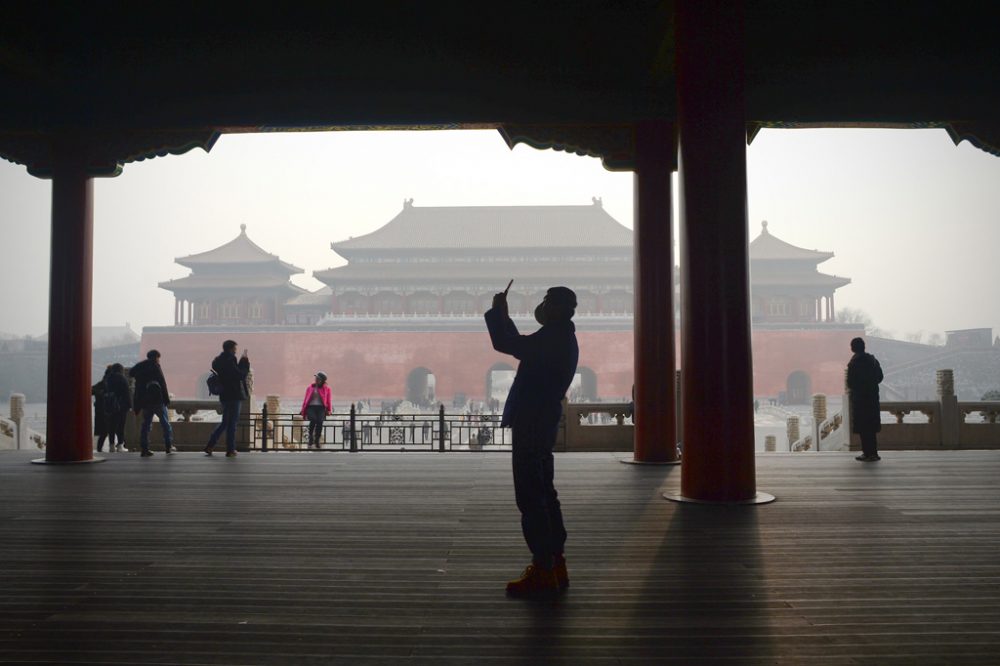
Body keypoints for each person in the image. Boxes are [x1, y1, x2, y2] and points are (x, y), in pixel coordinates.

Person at [485, 285, 579, 597]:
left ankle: (542, 567)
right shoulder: (561, 336)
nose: (543, 306)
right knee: (544, 491)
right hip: (543, 419)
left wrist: (500, 313)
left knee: (531, 494)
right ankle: (554, 563)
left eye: (548, 302)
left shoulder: (554, 337)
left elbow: (508, 343)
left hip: (533, 421)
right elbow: (518, 345)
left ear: (558, 308)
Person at [204, 339, 250, 458]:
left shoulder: (218, 361)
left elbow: (233, 372)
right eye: (235, 349)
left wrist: (239, 363)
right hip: (234, 395)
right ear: (230, 349)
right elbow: (240, 375)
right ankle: (230, 450)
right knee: (232, 424)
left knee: (225, 422)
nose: (236, 351)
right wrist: (245, 362)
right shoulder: (230, 360)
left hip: (224, 396)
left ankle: (210, 445)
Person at [130, 349, 174, 457]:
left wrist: (137, 405)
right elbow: (162, 383)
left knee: (146, 425)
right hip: (158, 401)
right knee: (165, 424)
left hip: (145, 402)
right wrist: (166, 399)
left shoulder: (140, 367)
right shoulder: (155, 366)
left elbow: (132, 375)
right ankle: (168, 446)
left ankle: (144, 448)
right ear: (156, 357)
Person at [847, 337, 884, 462]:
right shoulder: (873, 360)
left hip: (860, 400)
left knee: (864, 428)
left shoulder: (854, 363)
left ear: (853, 348)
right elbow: (880, 377)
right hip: (872, 398)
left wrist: (859, 388)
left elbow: (850, 383)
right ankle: (873, 453)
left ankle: (867, 453)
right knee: (871, 428)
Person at [300, 371, 332, 449]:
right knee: (313, 420)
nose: (316, 379)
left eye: (318, 378)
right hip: (311, 407)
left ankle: (317, 440)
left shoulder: (327, 389)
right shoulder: (310, 387)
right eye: (316, 378)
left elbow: (329, 400)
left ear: (322, 380)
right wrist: (303, 409)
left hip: (321, 408)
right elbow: (305, 399)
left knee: (320, 422)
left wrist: (329, 410)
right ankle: (310, 437)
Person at [104, 363, 132, 452]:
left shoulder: (108, 378)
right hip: (121, 406)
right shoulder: (122, 378)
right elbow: (126, 393)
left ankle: (111, 446)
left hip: (110, 404)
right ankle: (120, 445)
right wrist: (129, 405)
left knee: (111, 426)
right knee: (120, 426)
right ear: (121, 370)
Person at [91, 365, 112, 453]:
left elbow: (91, 390)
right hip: (108, 409)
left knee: (103, 430)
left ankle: (99, 448)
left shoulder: (101, 383)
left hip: (100, 410)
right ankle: (112, 446)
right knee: (108, 429)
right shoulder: (110, 382)